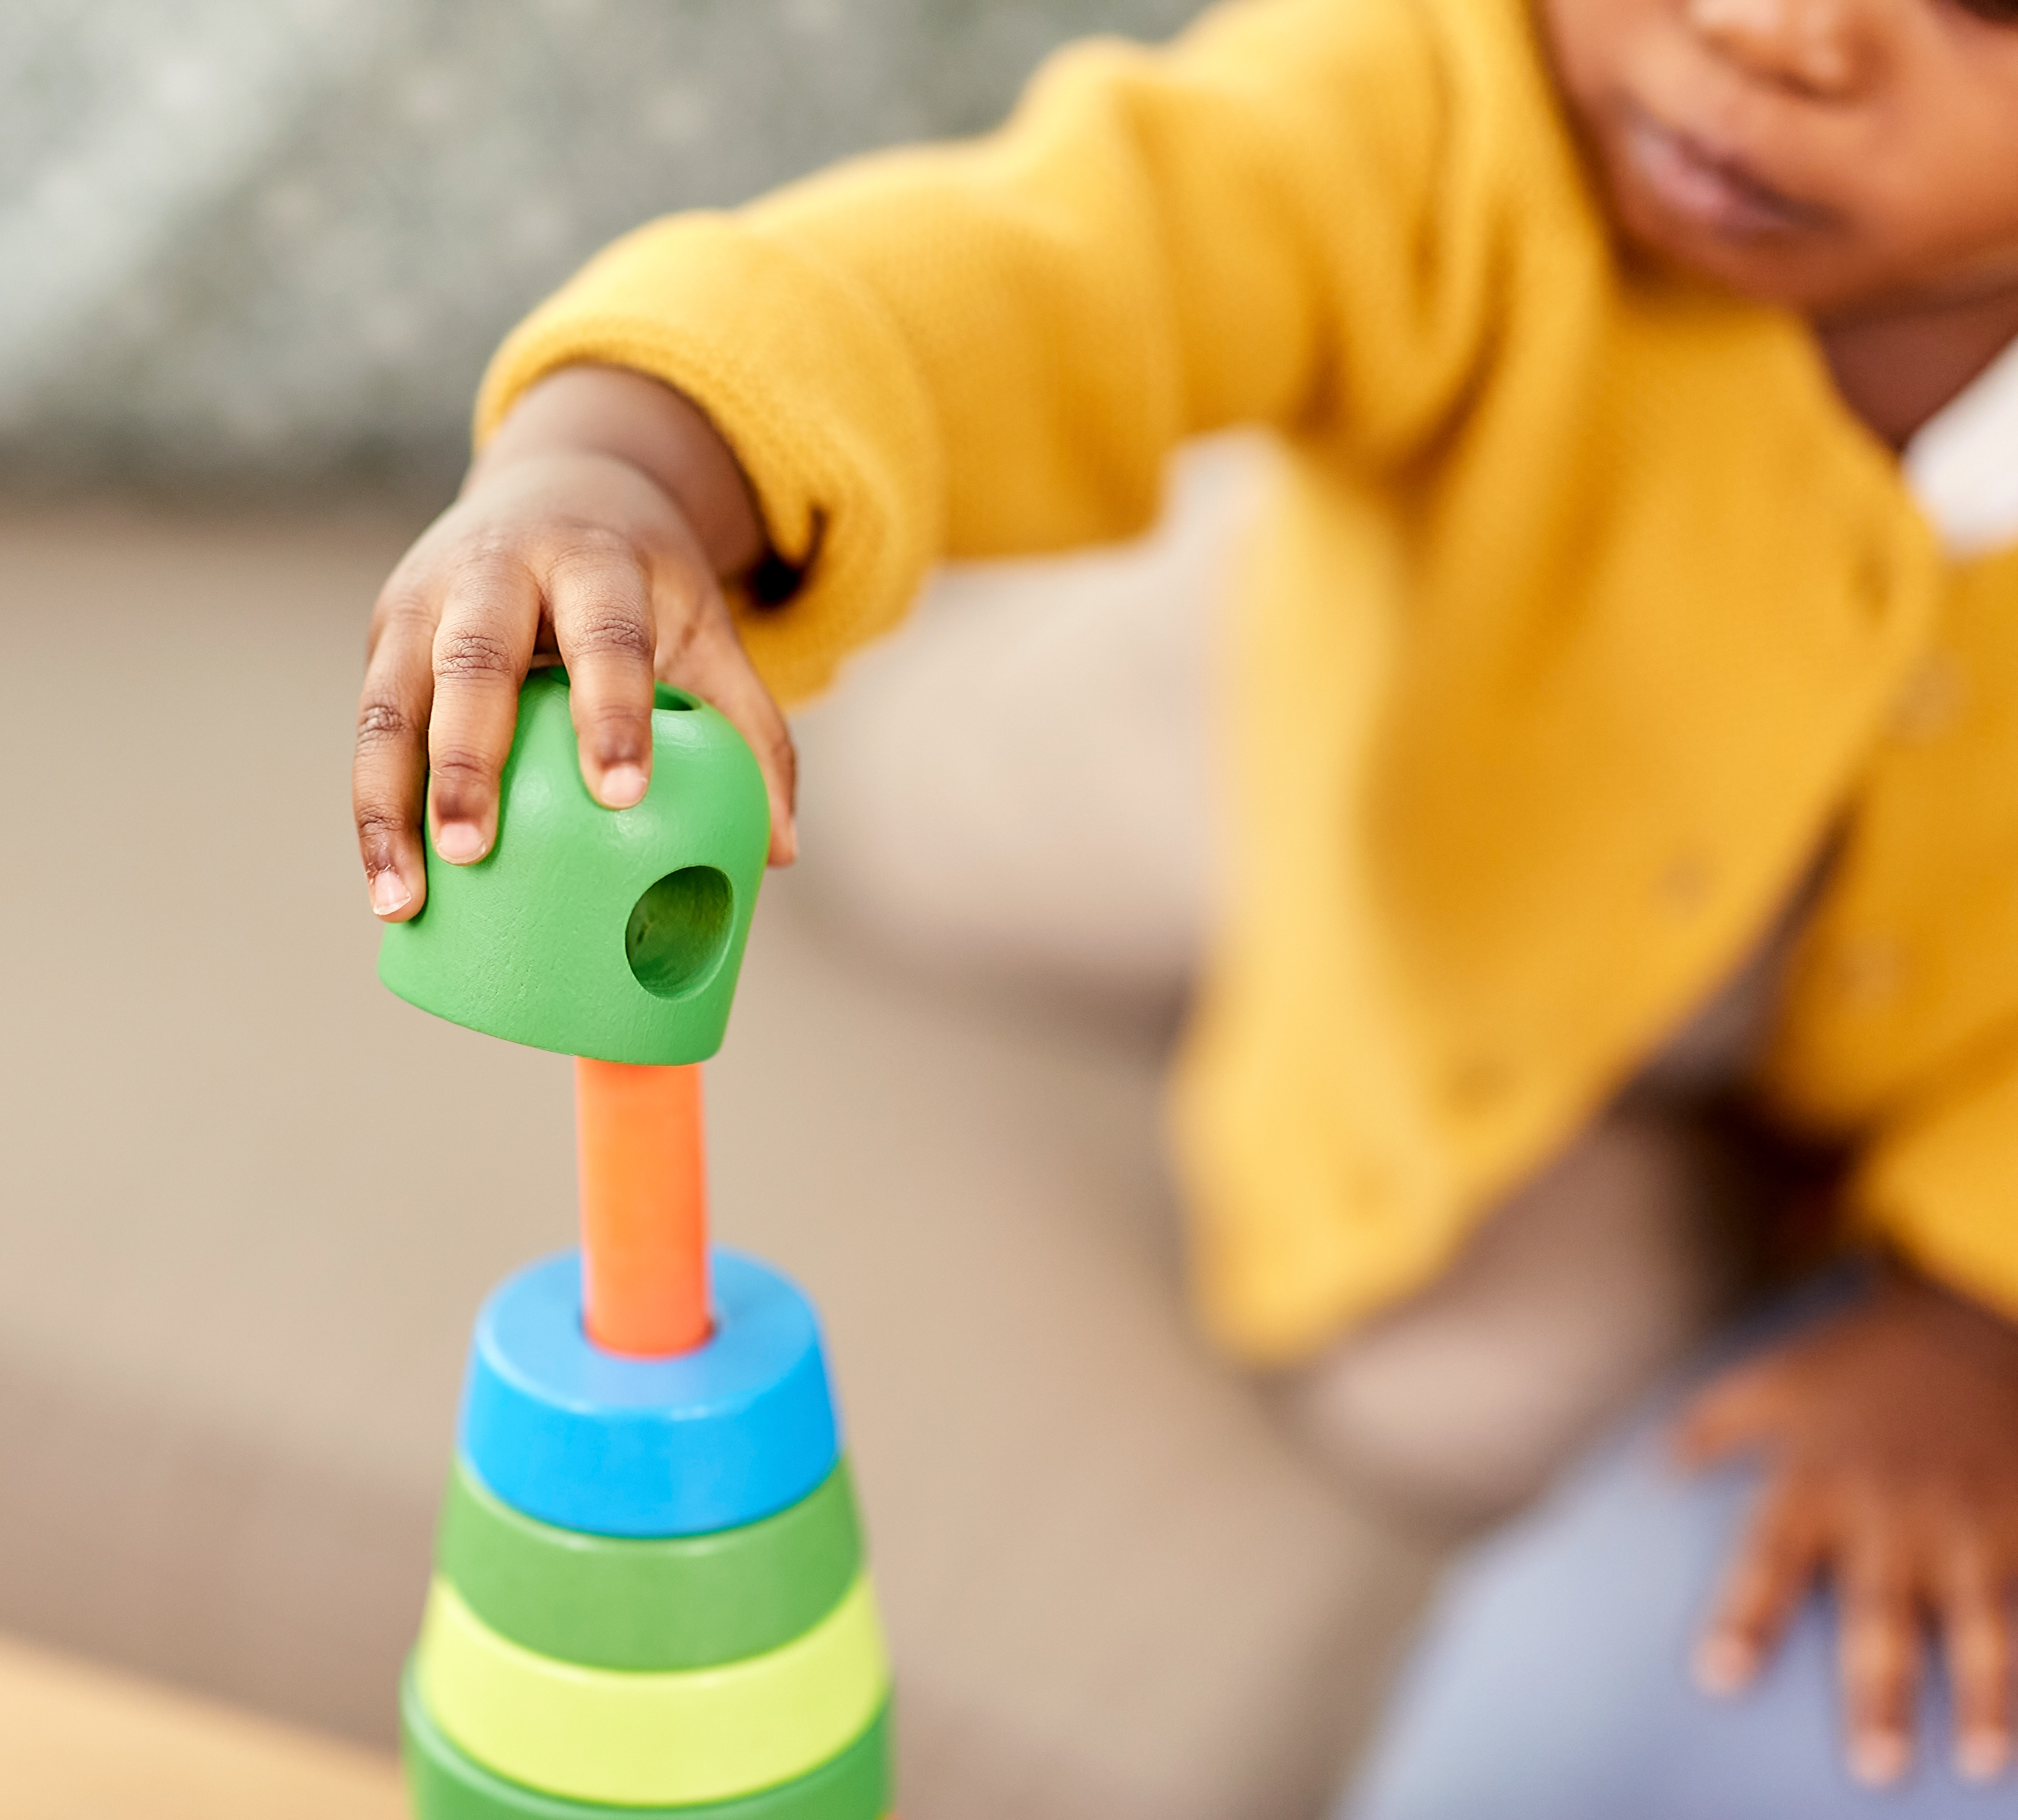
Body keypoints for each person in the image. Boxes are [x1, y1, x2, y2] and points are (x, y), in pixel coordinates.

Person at [348, 0, 2018, 1798]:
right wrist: (618, 463)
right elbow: (1031, 265)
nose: (1772, 31)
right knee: (927, 821)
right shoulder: (1447, 109)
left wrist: (1976, 1305)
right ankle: (1174, 600)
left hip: (1843, 976)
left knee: (1504, 1396)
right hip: (1344, 745)